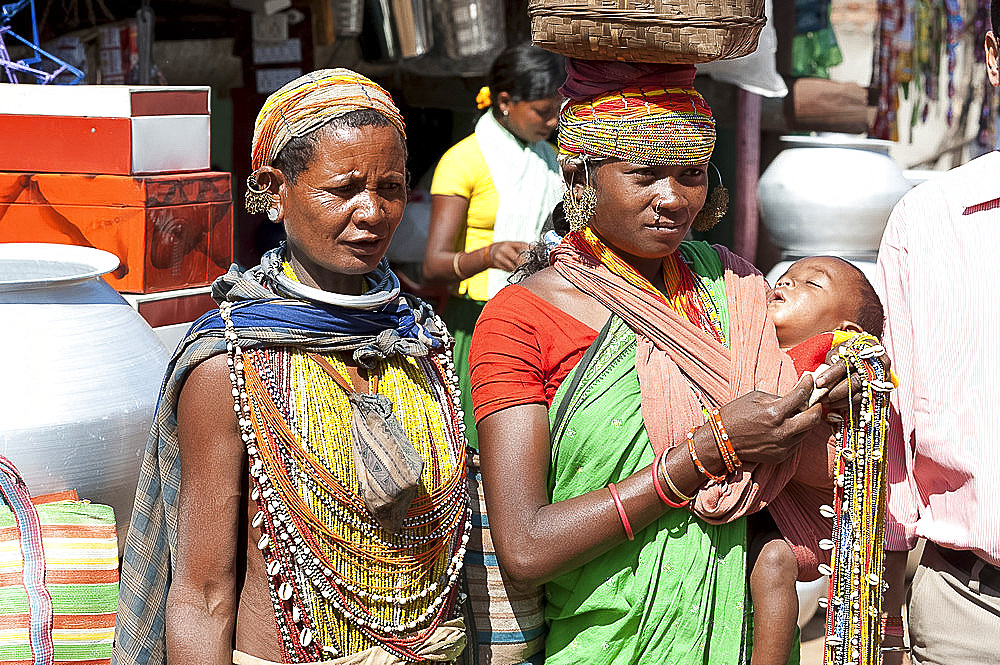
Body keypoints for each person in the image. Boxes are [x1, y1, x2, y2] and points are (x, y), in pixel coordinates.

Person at [468, 60, 861, 665]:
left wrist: (835, 394)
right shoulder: (520, 319)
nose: (673, 199)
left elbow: (801, 463)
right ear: (581, 173)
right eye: (646, 174)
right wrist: (702, 459)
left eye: (692, 174)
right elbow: (525, 545)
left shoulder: (732, 282)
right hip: (602, 644)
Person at [113, 70, 470, 665]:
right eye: (345, 188)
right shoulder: (231, 365)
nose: (373, 212)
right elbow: (201, 595)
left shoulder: (419, 340)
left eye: (390, 187)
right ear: (275, 192)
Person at [878, 6, 1000, 663]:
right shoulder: (927, 223)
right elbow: (892, 436)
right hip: (969, 613)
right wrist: (886, 627)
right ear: (994, 56)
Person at [422, 43, 565, 447]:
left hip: (538, 319)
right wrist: (488, 256)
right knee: (478, 451)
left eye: (558, 110)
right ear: (505, 102)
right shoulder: (464, 160)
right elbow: (432, 266)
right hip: (476, 324)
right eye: (542, 111)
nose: (553, 122)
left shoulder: (551, 162)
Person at [745, 255, 886, 665]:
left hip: (810, 525)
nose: (787, 283)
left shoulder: (834, 360)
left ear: (847, 331)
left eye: (812, 284)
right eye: (786, 277)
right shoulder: (753, 343)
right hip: (764, 505)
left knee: (773, 560)